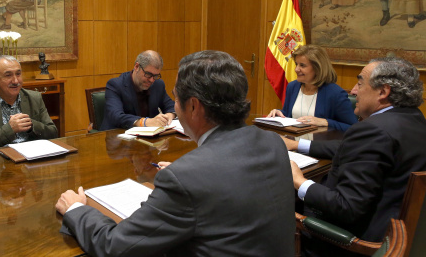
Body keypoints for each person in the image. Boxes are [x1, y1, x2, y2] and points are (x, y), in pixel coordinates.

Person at [56, 50, 295, 256]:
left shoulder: (187, 179)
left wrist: (77, 209)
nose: (175, 108)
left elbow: (115, 246)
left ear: (193, 106)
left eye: (177, 100)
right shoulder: (273, 143)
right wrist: (186, 177)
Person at [283, 57, 426, 256]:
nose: (353, 91)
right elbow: (349, 147)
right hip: (396, 231)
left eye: (359, 83)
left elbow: (346, 207)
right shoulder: (413, 119)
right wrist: (298, 144)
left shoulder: (373, 131)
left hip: (352, 243)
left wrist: (299, 181)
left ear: (383, 92)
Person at [0, 55, 58, 152]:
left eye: (18, 74)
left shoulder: (34, 97)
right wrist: (9, 130)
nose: (15, 81)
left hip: (31, 157)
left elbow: (53, 133)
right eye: (8, 75)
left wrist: (31, 125)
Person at [267, 45, 357, 131]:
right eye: (296, 64)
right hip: (292, 142)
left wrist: (326, 122)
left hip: (318, 144)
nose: (296, 69)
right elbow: (289, 116)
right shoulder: (292, 87)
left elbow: (352, 128)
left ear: (317, 68)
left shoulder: (335, 93)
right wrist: (279, 113)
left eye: (302, 65)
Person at [99, 50, 176, 130]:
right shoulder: (115, 85)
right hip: (118, 136)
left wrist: (169, 116)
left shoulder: (158, 84)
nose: (152, 80)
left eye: (156, 76)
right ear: (136, 67)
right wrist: (145, 122)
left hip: (149, 137)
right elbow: (116, 116)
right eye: (148, 74)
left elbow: (171, 106)